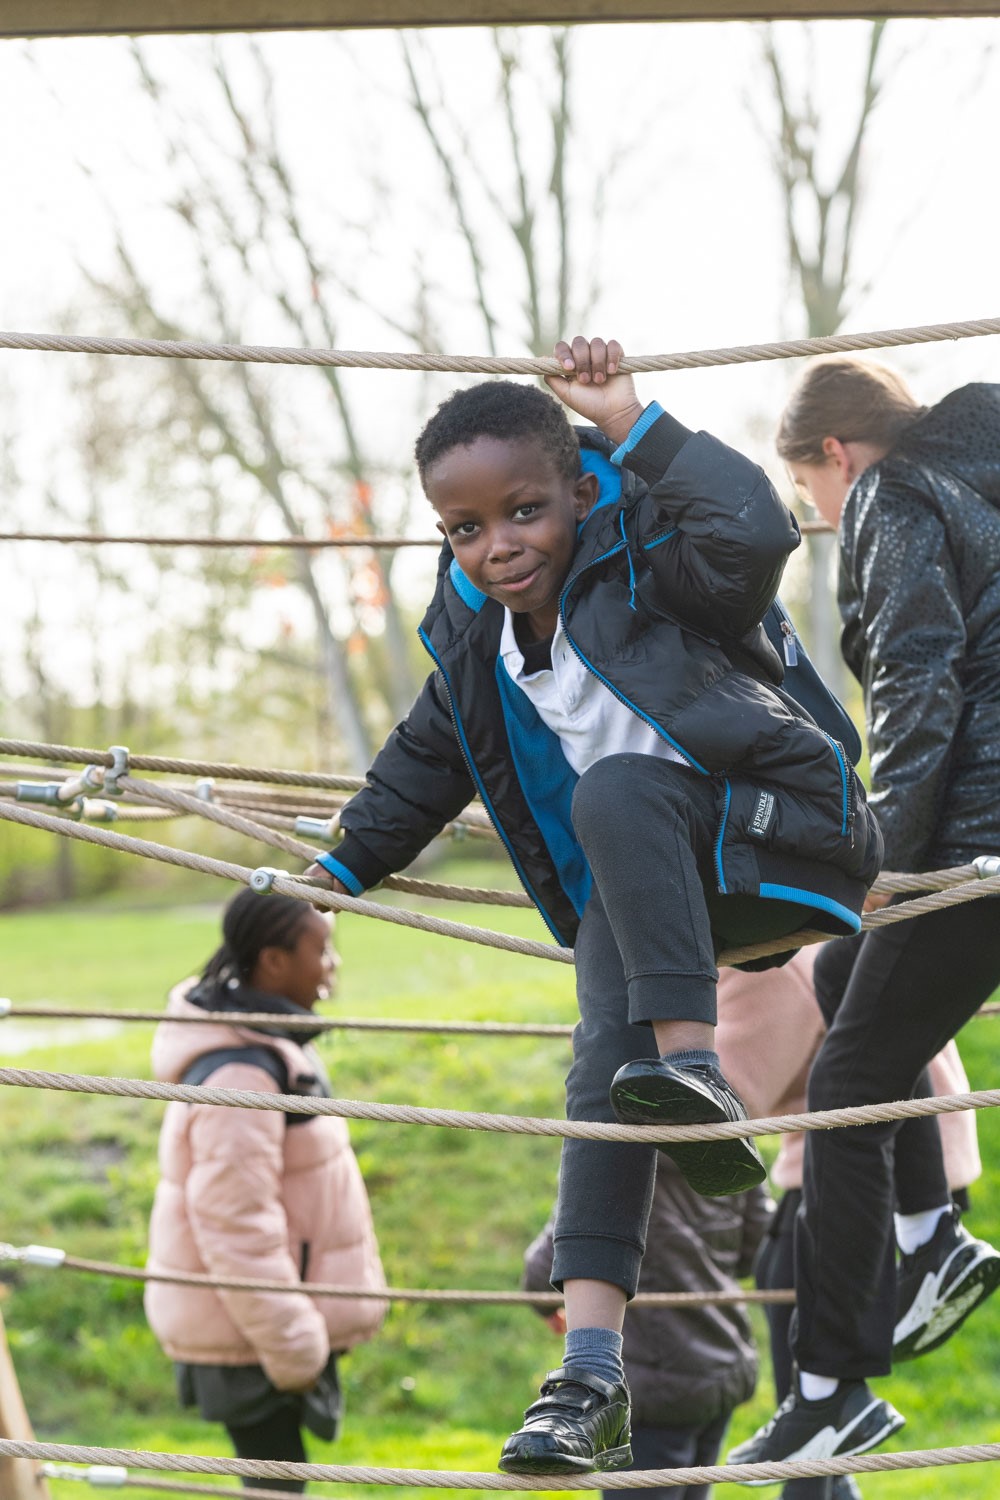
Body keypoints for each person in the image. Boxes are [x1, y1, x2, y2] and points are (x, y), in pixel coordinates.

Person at [306, 335, 883, 1475]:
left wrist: (631, 423)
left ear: (576, 491)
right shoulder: (477, 638)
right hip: (663, 884)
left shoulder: (655, 563)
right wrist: (334, 872)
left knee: (615, 794)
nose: (499, 546)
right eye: (466, 529)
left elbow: (757, 533)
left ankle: (697, 1074)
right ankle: (589, 1374)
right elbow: (424, 761)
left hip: (788, 837)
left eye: (523, 511)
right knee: (599, 1074)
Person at [729, 358, 1000, 1476]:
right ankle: (929, 1237)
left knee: (842, 1088)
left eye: (811, 499)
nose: (824, 522)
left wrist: (884, 853)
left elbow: (916, 680)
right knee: (847, 986)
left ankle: (830, 1389)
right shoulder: (980, 477)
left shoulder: (897, 495)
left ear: (832, 455)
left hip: (978, 836)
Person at [715, 946, 987, 1500]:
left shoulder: (774, 955)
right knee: (793, 1284)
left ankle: (823, 1440)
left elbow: (725, 1099)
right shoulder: (811, 934)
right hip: (904, 1152)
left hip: (874, 1158)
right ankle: (829, 1441)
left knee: (792, 1284)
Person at [145, 887, 387, 1491]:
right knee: (277, 1482)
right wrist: (292, 1339)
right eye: (320, 950)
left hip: (259, 1320)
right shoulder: (241, 1073)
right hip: (251, 1326)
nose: (331, 967)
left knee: (280, 1481)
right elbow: (234, 1219)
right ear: (274, 961)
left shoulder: (268, 1047)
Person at [522, 1162, 772, 1500]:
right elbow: (754, 1246)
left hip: (651, 1385)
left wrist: (549, 1305)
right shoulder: (731, 1136)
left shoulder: (611, 1150)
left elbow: (552, 1260)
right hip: (721, 1361)